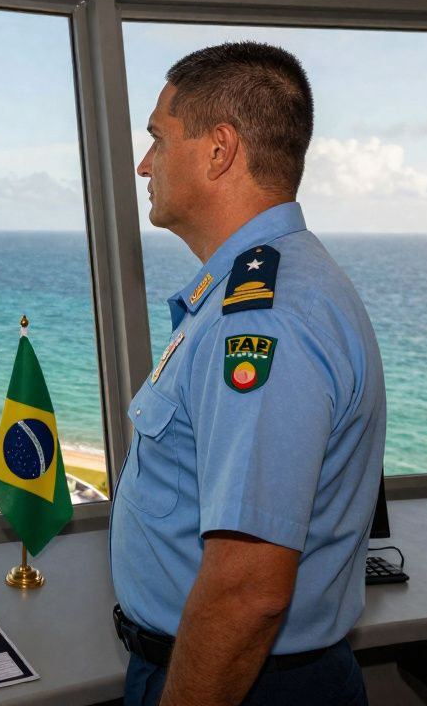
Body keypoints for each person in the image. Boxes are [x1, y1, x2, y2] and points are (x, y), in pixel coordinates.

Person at [110, 42, 386, 706]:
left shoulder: (261, 322)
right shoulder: (265, 291)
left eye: (158, 138)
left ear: (219, 150)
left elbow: (248, 591)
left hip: (242, 682)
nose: (145, 164)